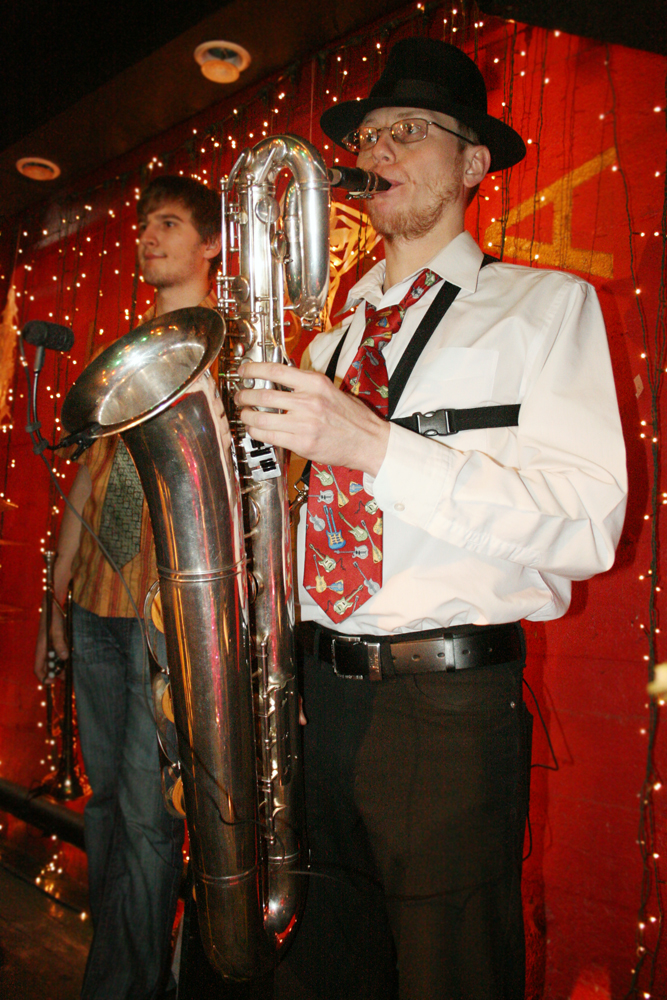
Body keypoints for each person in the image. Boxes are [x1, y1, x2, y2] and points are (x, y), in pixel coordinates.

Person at [236, 38, 627, 1000]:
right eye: (368, 135)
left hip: (446, 711)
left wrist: (375, 447)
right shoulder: (327, 342)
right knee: (319, 975)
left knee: (452, 977)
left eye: (409, 131)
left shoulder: (546, 306)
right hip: (311, 696)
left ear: (473, 163)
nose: (377, 149)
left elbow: (587, 525)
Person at [34, 175, 221, 1000]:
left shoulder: (229, 350)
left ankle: (122, 987)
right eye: (144, 224)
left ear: (210, 245)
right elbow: (86, 481)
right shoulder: (122, 352)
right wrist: (56, 599)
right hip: (96, 609)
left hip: (167, 620)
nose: (147, 236)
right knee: (108, 805)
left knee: (150, 817)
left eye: (168, 224)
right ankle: (120, 971)